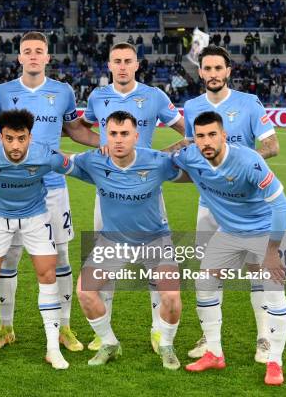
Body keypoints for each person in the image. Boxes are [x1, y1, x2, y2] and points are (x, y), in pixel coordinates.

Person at [0, 31, 99, 352]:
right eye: (28, 51)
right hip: (11, 188)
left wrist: (107, 144)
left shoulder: (62, 92)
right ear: (19, 57)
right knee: (9, 256)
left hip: (52, 188)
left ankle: (64, 327)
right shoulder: (1, 92)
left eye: (39, 51)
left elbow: (74, 129)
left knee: (61, 255)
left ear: (48, 57)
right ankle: (5, 327)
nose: (34, 56)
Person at [74, 42, 186, 352]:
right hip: (108, 188)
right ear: (109, 66)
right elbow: (81, 131)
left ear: (137, 64)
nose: (122, 66)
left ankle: (158, 331)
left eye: (128, 61)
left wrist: (162, 156)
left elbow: (186, 129)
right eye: (116, 61)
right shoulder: (98, 97)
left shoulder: (155, 96)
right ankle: (103, 331)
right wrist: (102, 147)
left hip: (147, 189)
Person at [174, 111, 286, 386]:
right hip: (229, 231)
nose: (206, 141)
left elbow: (281, 205)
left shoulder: (249, 161)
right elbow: (160, 163)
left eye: (212, 134)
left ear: (224, 135)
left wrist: (273, 251)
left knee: (273, 291)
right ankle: (214, 352)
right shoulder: (191, 156)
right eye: (200, 136)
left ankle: (275, 361)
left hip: (265, 231)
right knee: (205, 282)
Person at [181, 46, 280, 362]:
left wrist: (238, 165)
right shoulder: (192, 106)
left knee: (257, 270)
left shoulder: (249, 104)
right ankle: (211, 341)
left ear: (228, 71)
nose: (212, 74)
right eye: (207, 68)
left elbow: (271, 145)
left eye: (218, 68)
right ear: (200, 72)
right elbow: (187, 147)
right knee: (210, 273)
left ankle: (264, 338)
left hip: (246, 205)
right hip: (209, 204)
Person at [0, 109, 73, 370]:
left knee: (47, 274)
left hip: (36, 218)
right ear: (1, 137)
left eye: (21, 138)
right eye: (9, 139)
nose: (15, 145)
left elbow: (76, 167)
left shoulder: (45, 154)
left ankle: (53, 348)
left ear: (30, 136)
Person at [67, 111, 183, 369]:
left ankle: (166, 344)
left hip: (155, 239)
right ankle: (109, 343)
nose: (119, 140)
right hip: (113, 240)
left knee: (172, 297)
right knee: (85, 292)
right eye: (113, 134)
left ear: (136, 136)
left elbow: (189, 173)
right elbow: (62, 163)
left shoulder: (157, 162)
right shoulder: (94, 161)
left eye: (125, 134)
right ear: (105, 136)